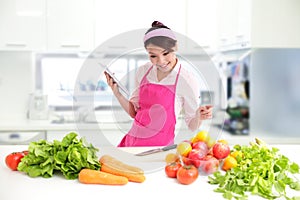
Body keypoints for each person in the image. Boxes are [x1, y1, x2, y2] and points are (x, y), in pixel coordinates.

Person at [105, 21, 213, 147]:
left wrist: (198, 116)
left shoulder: (187, 80)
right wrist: (117, 93)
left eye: (165, 53)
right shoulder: (143, 71)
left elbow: (192, 125)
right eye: (153, 56)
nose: (160, 61)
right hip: (131, 144)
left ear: (175, 47)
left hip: (159, 150)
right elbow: (134, 112)